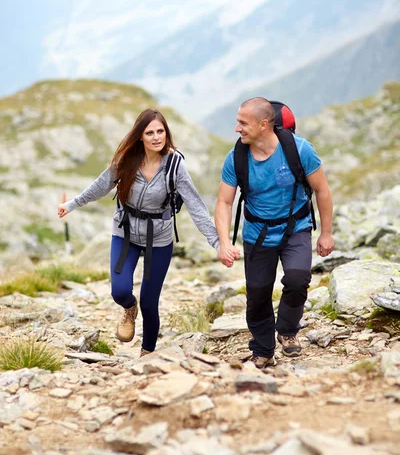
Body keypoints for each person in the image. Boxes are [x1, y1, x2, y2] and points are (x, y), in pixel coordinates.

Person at [58, 108, 234, 356]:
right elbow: (101, 186)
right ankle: (130, 309)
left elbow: (196, 206)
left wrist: (218, 244)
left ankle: (147, 353)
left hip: (159, 238)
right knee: (119, 291)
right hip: (125, 232)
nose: (156, 137)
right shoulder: (126, 159)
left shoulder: (175, 165)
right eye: (149, 132)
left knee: (150, 302)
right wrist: (72, 204)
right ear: (140, 136)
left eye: (160, 131)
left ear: (166, 133)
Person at [215, 97, 334, 368]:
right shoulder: (236, 157)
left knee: (297, 278)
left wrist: (326, 233)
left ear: (264, 124)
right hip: (257, 233)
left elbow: (322, 190)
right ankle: (263, 349)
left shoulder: (299, 150)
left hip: (296, 228)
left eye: (243, 123)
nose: (237, 128)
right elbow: (224, 202)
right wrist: (224, 242)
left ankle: (288, 331)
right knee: (257, 294)